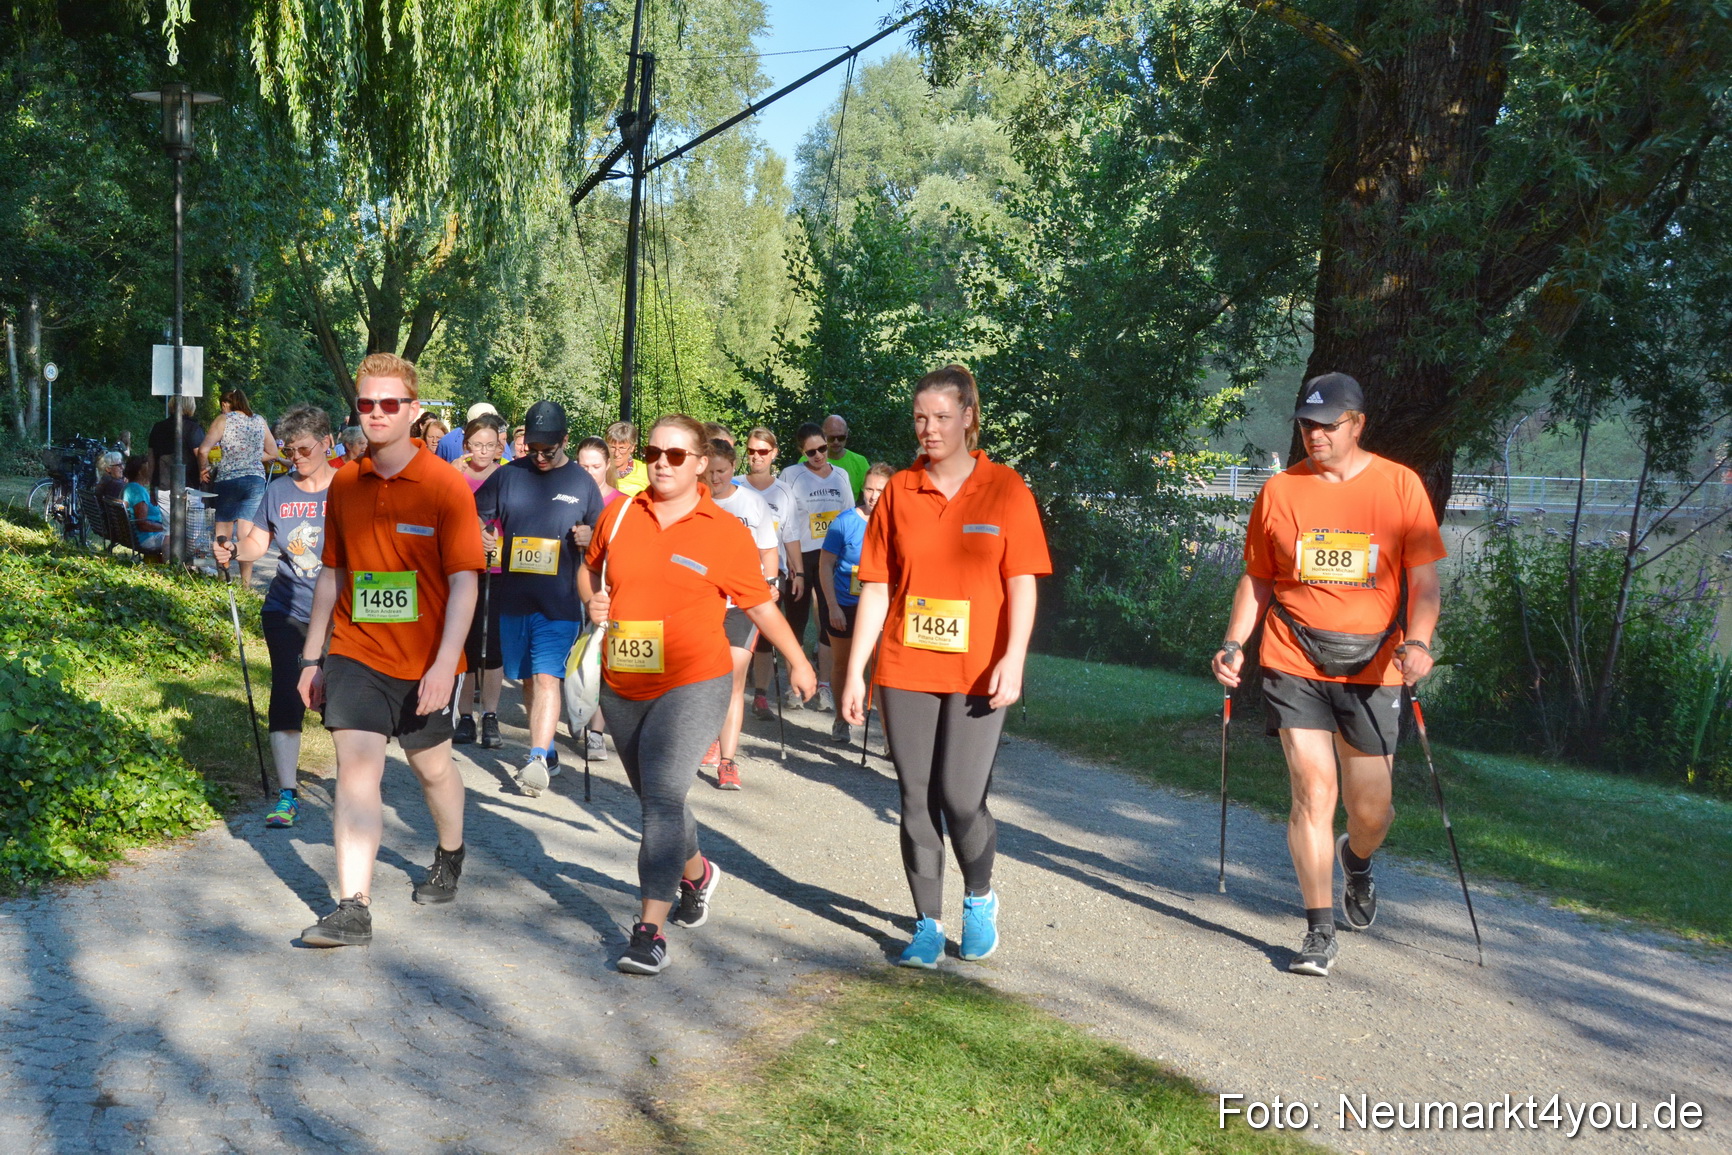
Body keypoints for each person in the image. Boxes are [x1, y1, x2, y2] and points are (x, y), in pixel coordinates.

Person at [1211, 372, 1444, 978]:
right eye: (1306, 425)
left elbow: (1423, 581)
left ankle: (1357, 862)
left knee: (1373, 811)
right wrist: (1235, 643)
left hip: (1373, 665)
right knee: (1314, 791)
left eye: (1328, 425)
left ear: (1358, 424)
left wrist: (1418, 641)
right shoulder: (1281, 490)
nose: (1315, 435)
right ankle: (1317, 930)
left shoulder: (1400, 486)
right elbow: (1258, 577)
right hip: (1294, 658)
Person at [580, 415, 816, 975]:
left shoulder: (724, 530)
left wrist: (800, 661)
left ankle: (648, 931)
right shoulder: (619, 514)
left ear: (702, 462)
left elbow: (760, 605)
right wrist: (591, 602)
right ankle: (698, 873)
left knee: (662, 795)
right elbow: (589, 573)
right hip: (623, 679)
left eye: (677, 455)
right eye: (655, 452)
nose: (662, 462)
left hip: (695, 680)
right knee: (657, 801)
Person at [839, 364, 1050, 969]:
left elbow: (1023, 584)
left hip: (980, 669)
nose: (927, 428)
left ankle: (979, 897)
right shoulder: (900, 492)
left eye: (939, 417)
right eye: (919, 418)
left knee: (960, 797)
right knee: (914, 797)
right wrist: (857, 671)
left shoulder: (1006, 489)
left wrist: (1014, 658)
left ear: (968, 418)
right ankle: (927, 922)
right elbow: (877, 588)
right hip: (906, 668)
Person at [295, 352, 485, 948]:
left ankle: (450, 852)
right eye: (366, 403)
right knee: (357, 770)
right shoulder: (345, 482)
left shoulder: (445, 486)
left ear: (413, 410)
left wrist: (443, 665)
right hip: (356, 650)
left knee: (431, 768)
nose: (376, 414)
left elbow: (464, 581)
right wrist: (311, 656)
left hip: (425, 658)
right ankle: (353, 906)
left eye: (389, 404)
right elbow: (332, 573)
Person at [212, 404, 337, 828]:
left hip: (341, 617)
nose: (295, 459)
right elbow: (257, 546)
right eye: (288, 451)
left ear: (327, 444)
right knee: (287, 695)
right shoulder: (279, 492)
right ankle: (287, 795)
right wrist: (232, 550)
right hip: (287, 609)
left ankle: (356, 783)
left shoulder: (348, 489)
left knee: (339, 702)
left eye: (303, 450)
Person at [475, 400, 604, 796]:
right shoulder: (508, 476)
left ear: (565, 441)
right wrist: (482, 534)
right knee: (530, 677)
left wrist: (589, 537)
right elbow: (474, 514)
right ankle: (545, 748)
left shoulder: (582, 483)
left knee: (548, 675)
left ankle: (533, 759)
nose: (541, 457)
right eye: (533, 449)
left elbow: (603, 534)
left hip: (560, 601)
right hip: (513, 599)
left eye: (548, 449)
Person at [701, 440, 780, 789]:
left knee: (733, 681)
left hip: (741, 604)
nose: (716, 478)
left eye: (722, 471)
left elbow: (768, 549)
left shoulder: (752, 503)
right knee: (702, 678)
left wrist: (771, 583)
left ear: (734, 467)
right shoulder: (694, 500)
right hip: (702, 604)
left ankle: (728, 761)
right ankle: (707, 739)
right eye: (710, 471)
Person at [782, 422, 854, 712]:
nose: (818, 456)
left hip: (833, 558)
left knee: (829, 622)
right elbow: (786, 522)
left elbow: (849, 516)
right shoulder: (792, 475)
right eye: (811, 452)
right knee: (796, 623)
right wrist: (792, 563)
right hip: (803, 556)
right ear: (802, 451)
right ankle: (794, 685)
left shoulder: (842, 475)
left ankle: (824, 685)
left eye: (822, 448)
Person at [821, 462, 893, 744]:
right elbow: (825, 565)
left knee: (882, 672)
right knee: (843, 664)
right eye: (869, 489)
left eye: (880, 490)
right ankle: (842, 719)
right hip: (846, 604)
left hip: (882, 607)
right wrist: (832, 606)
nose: (873, 496)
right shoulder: (845, 522)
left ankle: (890, 735)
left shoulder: (898, 523)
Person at [452, 415, 508, 747]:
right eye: (477, 445)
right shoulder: (455, 473)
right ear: (466, 445)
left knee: (495, 647)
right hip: (464, 567)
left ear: (499, 445)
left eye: (490, 445)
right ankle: (464, 716)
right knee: (468, 643)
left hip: (499, 568)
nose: (483, 451)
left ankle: (490, 714)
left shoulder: (507, 475)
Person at [738, 426, 796, 721]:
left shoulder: (784, 490)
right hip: (736, 574)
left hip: (772, 575)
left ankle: (760, 695)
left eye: (763, 451)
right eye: (751, 451)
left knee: (764, 638)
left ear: (774, 453)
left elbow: (791, 534)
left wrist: (796, 573)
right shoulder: (734, 485)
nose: (756, 457)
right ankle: (729, 690)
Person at [198, 389, 284, 588]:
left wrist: (203, 470)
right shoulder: (259, 421)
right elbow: (272, 452)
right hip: (254, 480)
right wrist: (251, 457)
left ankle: (223, 579)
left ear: (228, 404)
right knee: (246, 535)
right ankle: (245, 585)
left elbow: (203, 449)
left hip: (228, 479)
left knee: (223, 531)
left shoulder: (223, 419)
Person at [146, 396, 204, 499]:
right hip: (189, 487)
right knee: (192, 515)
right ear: (191, 406)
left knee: (167, 515)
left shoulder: (157, 428)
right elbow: (200, 455)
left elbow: (151, 460)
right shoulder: (194, 429)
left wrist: (152, 487)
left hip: (163, 487)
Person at [121, 456, 168, 557]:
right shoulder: (137, 491)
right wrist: (166, 528)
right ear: (139, 471)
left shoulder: (130, 487)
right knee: (181, 538)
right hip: (146, 539)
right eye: (148, 466)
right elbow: (142, 524)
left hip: (138, 537)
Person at [822, 413, 870, 499]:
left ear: (847, 434)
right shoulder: (808, 461)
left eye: (841, 438)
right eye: (831, 438)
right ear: (823, 436)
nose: (836, 442)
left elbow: (872, 495)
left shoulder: (860, 462)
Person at [607, 420, 650, 496]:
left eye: (622, 448)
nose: (616, 454)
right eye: (612, 447)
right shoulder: (598, 469)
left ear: (632, 448)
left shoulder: (646, 471)